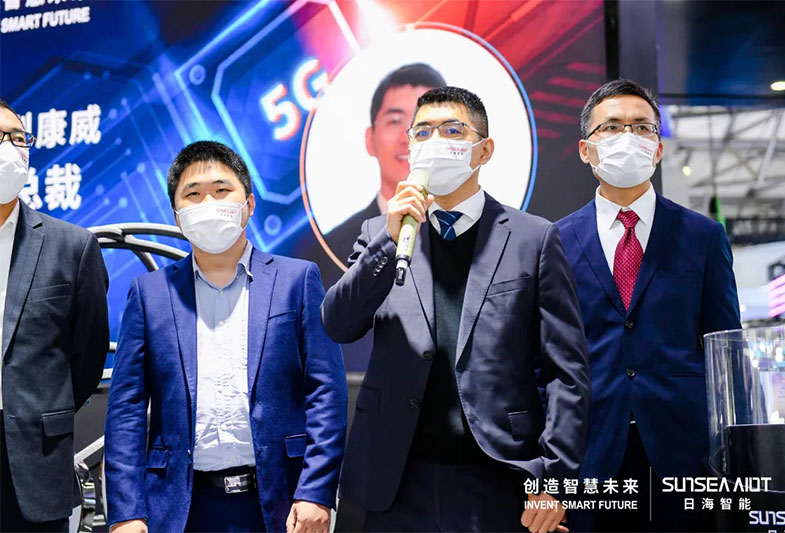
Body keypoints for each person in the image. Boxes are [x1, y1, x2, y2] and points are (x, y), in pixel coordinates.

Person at [322, 87, 590, 533]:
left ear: (484, 150)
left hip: (497, 475)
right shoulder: (379, 232)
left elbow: (566, 372)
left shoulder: (533, 238)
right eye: (422, 132)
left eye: (452, 131)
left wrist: (555, 477)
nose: (434, 141)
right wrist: (388, 241)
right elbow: (338, 323)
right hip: (395, 478)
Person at [104, 141, 347, 533]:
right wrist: (126, 512)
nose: (208, 203)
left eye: (221, 190)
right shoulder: (149, 294)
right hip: (181, 507)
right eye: (193, 194)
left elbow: (326, 393)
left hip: (281, 501)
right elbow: (126, 410)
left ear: (249, 204)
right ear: (177, 215)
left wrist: (316, 491)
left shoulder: (297, 280)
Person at [556, 79, 741, 532]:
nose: (628, 137)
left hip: (687, 455)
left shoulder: (702, 236)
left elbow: (726, 352)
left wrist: (732, 454)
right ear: (585, 150)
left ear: (657, 149)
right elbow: (544, 358)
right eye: (611, 127)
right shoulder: (553, 241)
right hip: (588, 452)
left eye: (641, 127)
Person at [0, 99, 109, 531]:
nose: (10, 147)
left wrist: (44, 408)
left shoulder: (72, 247)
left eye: (18, 137)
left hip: (35, 464)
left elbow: (88, 356)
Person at [323, 63, 446, 263]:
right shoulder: (331, 249)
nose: (408, 139)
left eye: (425, 123)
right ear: (370, 140)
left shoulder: (480, 238)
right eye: (395, 121)